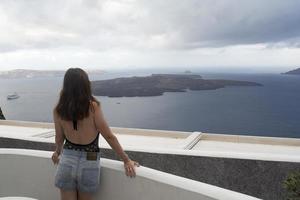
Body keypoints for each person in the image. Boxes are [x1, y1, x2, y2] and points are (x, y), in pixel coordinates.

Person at [51, 68, 139, 200]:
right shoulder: (93, 107)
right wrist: (126, 160)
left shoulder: (58, 110)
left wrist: (57, 153)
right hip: (89, 161)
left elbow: (59, 138)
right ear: (86, 85)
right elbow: (109, 136)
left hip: (67, 161)